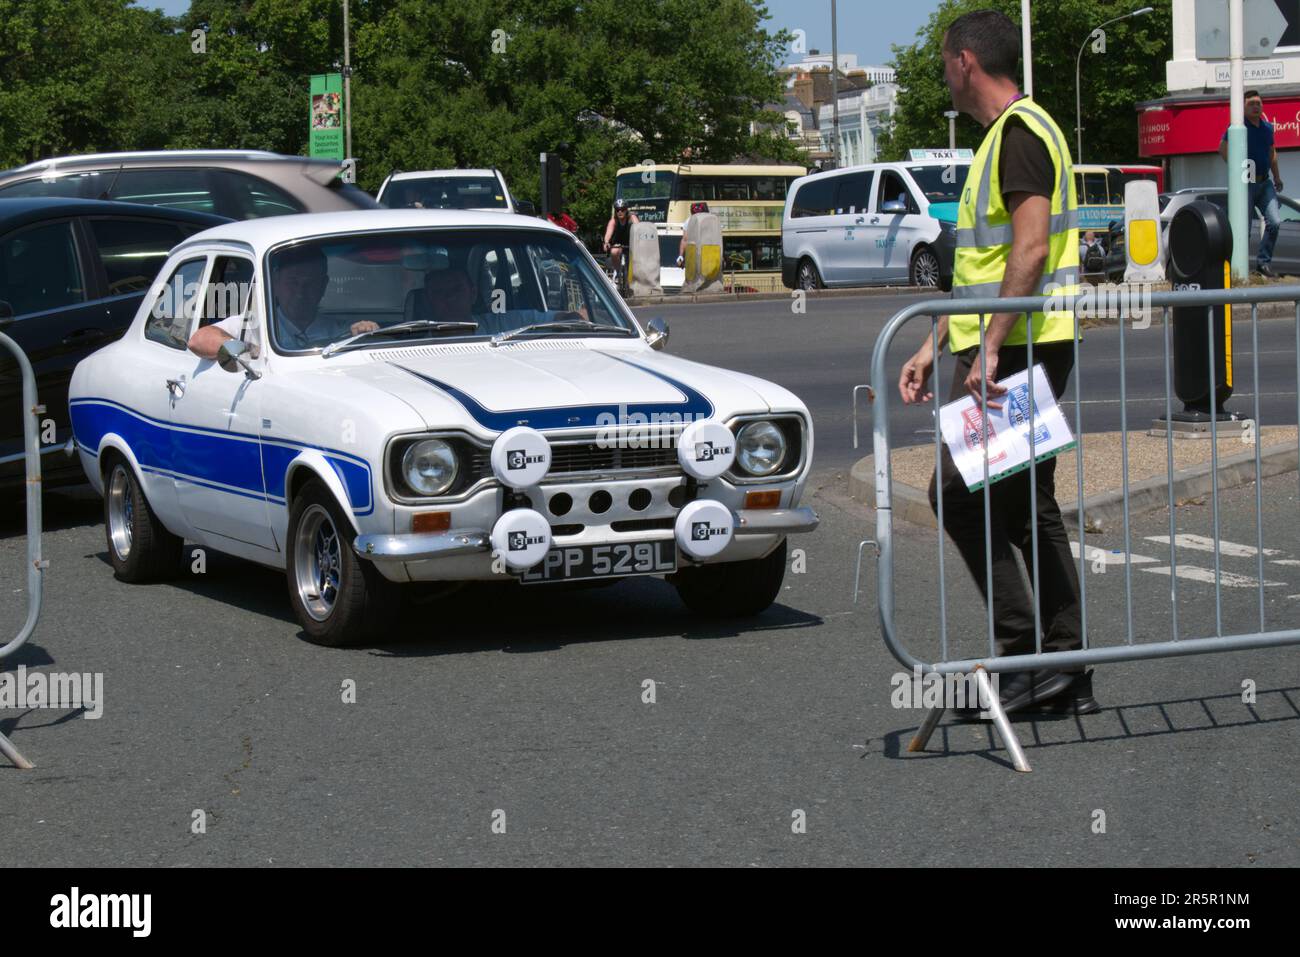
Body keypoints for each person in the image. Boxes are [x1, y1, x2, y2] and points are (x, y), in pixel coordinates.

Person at [896, 8, 1095, 717]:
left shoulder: (1017, 136)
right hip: (1013, 343)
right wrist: (933, 341)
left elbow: (1032, 249)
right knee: (1021, 502)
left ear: (966, 63)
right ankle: (1063, 664)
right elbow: (983, 266)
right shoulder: (1010, 137)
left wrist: (985, 345)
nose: (943, 75)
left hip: (1015, 347)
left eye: (945, 62)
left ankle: (1027, 657)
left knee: (958, 492)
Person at [189, 245, 377, 358]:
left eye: (310, 283)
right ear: (276, 283)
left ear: (323, 286)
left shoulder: (338, 330)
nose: (301, 291)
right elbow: (199, 340)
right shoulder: (252, 326)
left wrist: (367, 333)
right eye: (292, 282)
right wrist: (247, 350)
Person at [1218, 89, 1283, 277]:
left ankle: (1263, 262)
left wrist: (1277, 177)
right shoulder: (1238, 126)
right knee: (1241, 228)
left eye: (1258, 103)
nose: (1256, 106)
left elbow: (1272, 154)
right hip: (1245, 182)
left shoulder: (1267, 128)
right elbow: (1222, 148)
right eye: (1251, 103)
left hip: (1265, 182)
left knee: (1275, 222)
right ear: (1243, 107)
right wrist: (1236, 170)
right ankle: (1238, 268)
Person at [602, 198, 638, 275]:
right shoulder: (614, 220)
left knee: (636, 258)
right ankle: (619, 273)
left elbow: (639, 228)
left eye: (622, 209)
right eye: (617, 210)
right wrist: (606, 242)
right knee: (614, 252)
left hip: (631, 244)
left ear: (626, 210)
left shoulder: (632, 217)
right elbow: (608, 232)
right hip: (618, 244)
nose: (620, 212)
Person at [677, 201, 709, 267]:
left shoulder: (689, 220)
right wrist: (681, 256)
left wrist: (681, 256)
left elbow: (684, 240)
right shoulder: (712, 220)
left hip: (695, 254)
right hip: (706, 253)